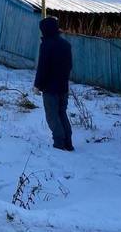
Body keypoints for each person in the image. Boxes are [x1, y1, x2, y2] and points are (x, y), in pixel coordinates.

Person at [34, 17, 74, 151]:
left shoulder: (46, 45)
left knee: (52, 116)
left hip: (50, 88)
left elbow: (43, 67)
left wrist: (38, 85)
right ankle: (68, 142)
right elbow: (69, 66)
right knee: (62, 113)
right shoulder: (66, 44)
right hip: (63, 86)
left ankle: (59, 143)